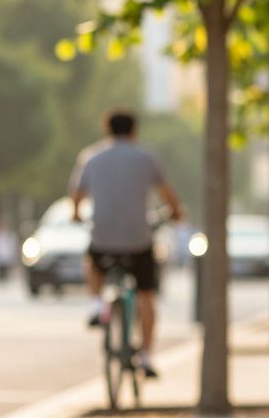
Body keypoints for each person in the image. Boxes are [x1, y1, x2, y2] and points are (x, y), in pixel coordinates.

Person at [70, 109, 184, 379]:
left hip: (103, 236)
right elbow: (168, 194)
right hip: (139, 238)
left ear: (106, 129)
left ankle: (98, 303)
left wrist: (76, 214)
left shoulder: (91, 157)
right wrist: (176, 214)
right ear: (134, 131)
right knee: (146, 296)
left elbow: (76, 195)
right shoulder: (147, 158)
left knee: (92, 260)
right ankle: (145, 355)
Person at [0, 219, 19, 283]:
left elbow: (13, 245)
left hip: (7, 255)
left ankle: (5, 279)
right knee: (0, 269)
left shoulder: (10, 234)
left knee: (5, 269)